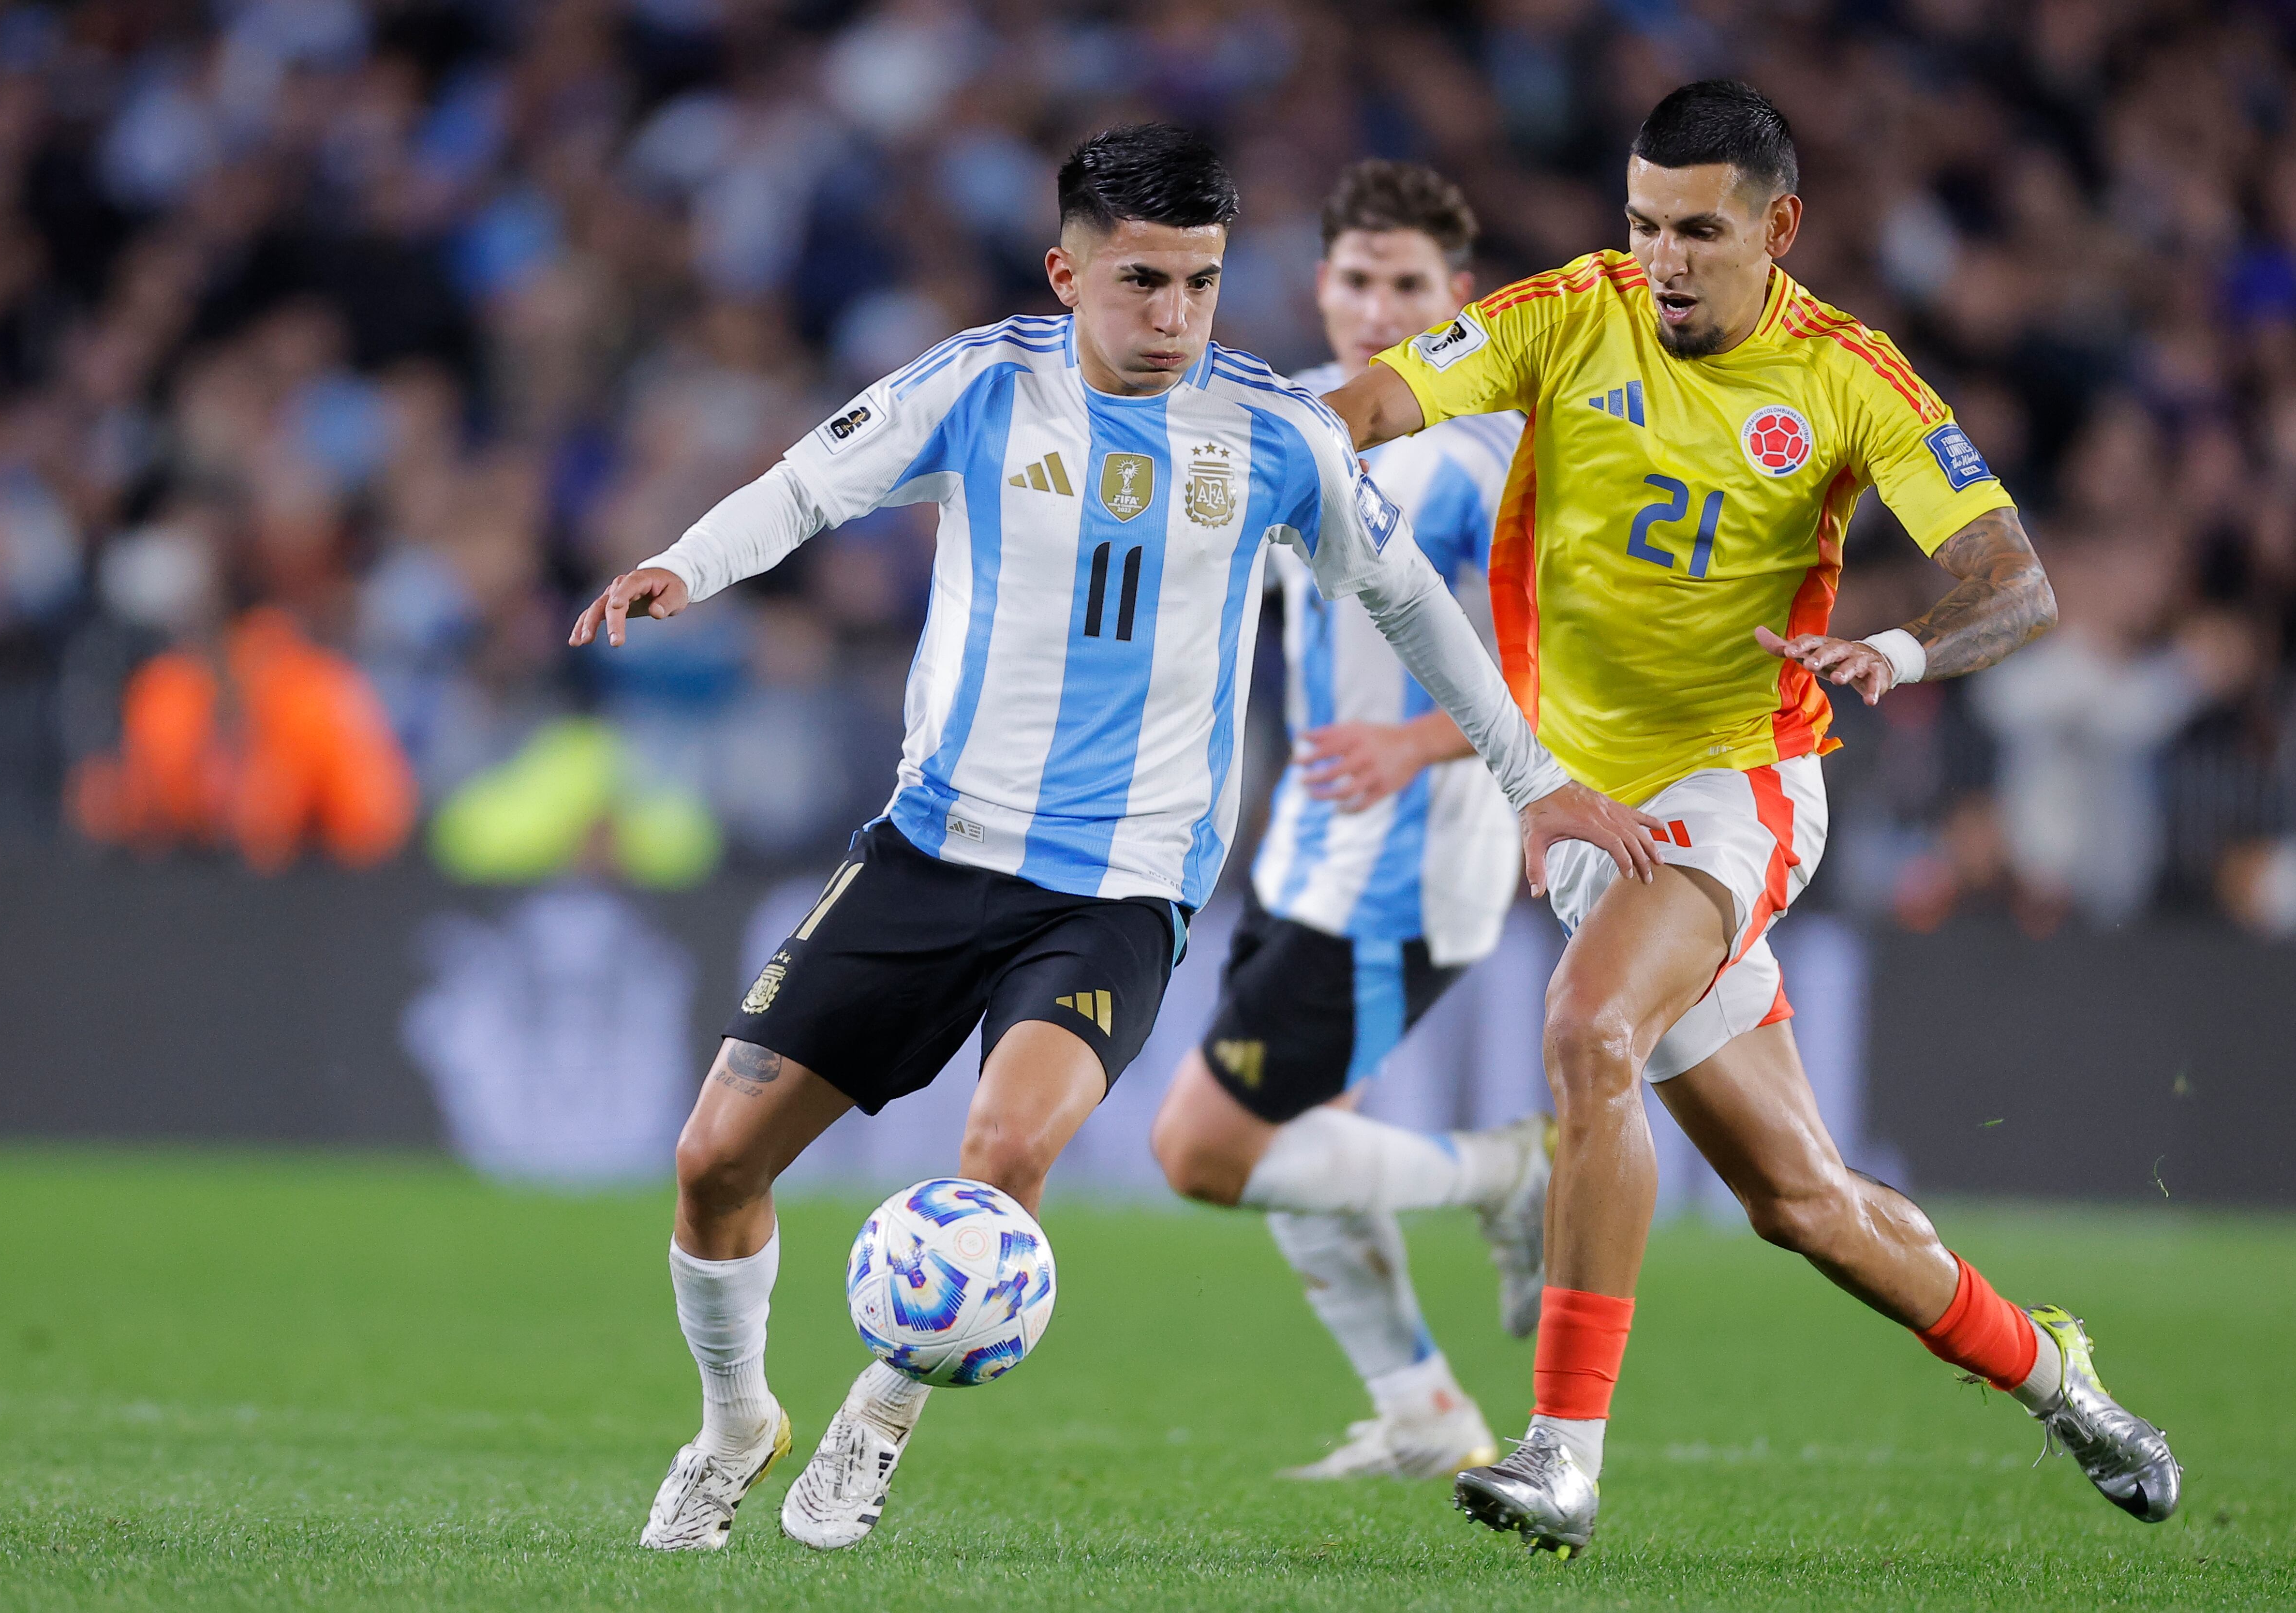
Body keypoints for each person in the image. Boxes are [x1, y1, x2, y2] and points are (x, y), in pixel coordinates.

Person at [568, 123, 1661, 1555]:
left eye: (1202, 285)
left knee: (1005, 1149)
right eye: (1142, 281)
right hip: (932, 847)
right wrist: (682, 564)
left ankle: (876, 1422)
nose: (1173, 319)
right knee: (715, 1162)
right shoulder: (978, 384)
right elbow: (806, 485)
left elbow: (1411, 603)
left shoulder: (1276, 433)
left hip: (1122, 885)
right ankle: (734, 1424)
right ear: (1065, 271)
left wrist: (1529, 781)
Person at [1325, 81, 2179, 1555]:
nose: (1663, 259)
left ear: (1778, 228)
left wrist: (1901, 652)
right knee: (1805, 1203)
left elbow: (2013, 575)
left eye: (1700, 232)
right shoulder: (1567, 314)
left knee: (1589, 1032)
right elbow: (1377, 401)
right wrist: (1266, 453)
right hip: (1590, 811)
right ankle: (2064, 1380)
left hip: (1741, 785)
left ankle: (1562, 1456)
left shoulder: (1847, 375)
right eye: (1646, 225)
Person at [1147, 159, 1550, 1482]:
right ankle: (1426, 1417)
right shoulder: (1304, 419)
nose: (1381, 307)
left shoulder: (1491, 457)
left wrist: (1417, 740)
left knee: (1206, 1150)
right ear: (1322, 286)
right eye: (1361, 280)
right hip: (1306, 850)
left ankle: (1509, 1176)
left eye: (1411, 287)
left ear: (1460, 302)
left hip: (1417, 859)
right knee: (1307, 1149)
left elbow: (1567, 671)